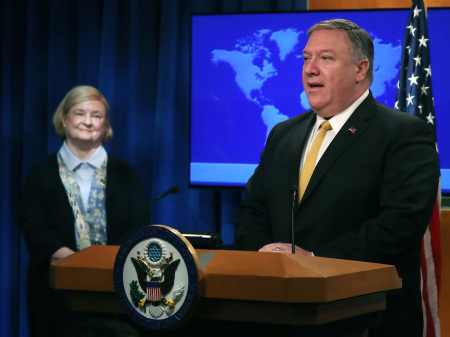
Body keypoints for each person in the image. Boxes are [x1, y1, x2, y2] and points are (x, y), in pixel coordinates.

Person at [234, 19, 440, 337]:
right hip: (278, 311)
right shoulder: (283, 134)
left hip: (365, 315)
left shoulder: (402, 133)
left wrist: (315, 261)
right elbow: (252, 211)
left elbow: (400, 224)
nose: (310, 69)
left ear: (361, 69)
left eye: (325, 58)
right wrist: (266, 257)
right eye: (306, 58)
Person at [20, 85, 150, 337]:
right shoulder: (40, 172)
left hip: (116, 286)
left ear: (106, 124)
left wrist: (105, 265)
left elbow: (139, 223)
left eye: (97, 115)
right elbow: (33, 226)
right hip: (55, 287)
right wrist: (75, 265)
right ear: (64, 119)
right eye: (80, 114)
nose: (88, 122)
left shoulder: (126, 173)